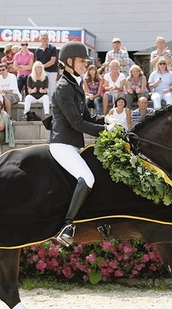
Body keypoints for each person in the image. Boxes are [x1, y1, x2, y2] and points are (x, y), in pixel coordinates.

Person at [48, 40, 113, 246]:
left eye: (86, 61)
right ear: (69, 61)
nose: (86, 64)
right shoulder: (62, 88)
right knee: (87, 177)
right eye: (82, 61)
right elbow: (76, 123)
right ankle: (67, 226)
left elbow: (86, 116)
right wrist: (104, 131)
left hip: (74, 144)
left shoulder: (76, 86)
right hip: (62, 144)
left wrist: (107, 120)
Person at [35, 31, 58, 97]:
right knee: (42, 87)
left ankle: (51, 105)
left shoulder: (52, 48)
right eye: (43, 38)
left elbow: (52, 61)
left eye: (46, 38)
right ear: (40, 39)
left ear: (48, 39)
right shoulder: (38, 50)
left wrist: (42, 66)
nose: (45, 40)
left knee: (51, 88)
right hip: (42, 72)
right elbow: (37, 62)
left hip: (52, 72)